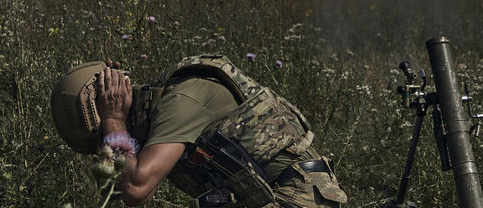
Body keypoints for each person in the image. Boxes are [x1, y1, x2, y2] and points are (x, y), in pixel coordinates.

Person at [50, 54, 347, 207]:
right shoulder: (153, 122)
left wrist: (113, 120)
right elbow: (116, 189)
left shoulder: (178, 102)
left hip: (298, 197)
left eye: (106, 140)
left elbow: (136, 188)